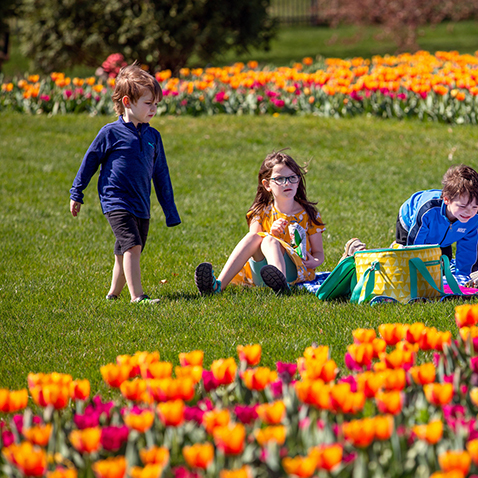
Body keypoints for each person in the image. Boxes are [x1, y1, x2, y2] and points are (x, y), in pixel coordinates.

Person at [69, 62, 180, 304]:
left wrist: (170, 211)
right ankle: (137, 296)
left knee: (124, 250)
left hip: (141, 203)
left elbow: (161, 175)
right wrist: (76, 192)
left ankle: (113, 294)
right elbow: (89, 163)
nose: (154, 109)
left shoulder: (153, 137)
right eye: (148, 104)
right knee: (133, 246)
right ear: (128, 102)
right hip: (116, 200)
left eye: (156, 104)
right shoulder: (110, 133)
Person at [194, 151, 325, 295]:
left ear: (298, 181)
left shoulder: (308, 214)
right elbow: (254, 243)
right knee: (256, 237)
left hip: (295, 272)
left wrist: (315, 261)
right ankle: (218, 286)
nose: (287, 183)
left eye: (292, 178)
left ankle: (282, 285)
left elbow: (319, 253)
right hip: (262, 274)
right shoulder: (260, 212)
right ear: (267, 184)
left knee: (270, 240)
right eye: (280, 179)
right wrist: (273, 234)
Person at [395, 165, 478, 283]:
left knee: (440, 272)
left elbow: (470, 248)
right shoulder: (428, 210)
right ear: (447, 200)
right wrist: (416, 273)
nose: (469, 212)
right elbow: (414, 246)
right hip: (410, 223)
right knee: (406, 265)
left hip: (444, 237)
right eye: (462, 206)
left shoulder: (474, 218)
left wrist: (465, 277)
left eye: (475, 206)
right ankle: (395, 249)